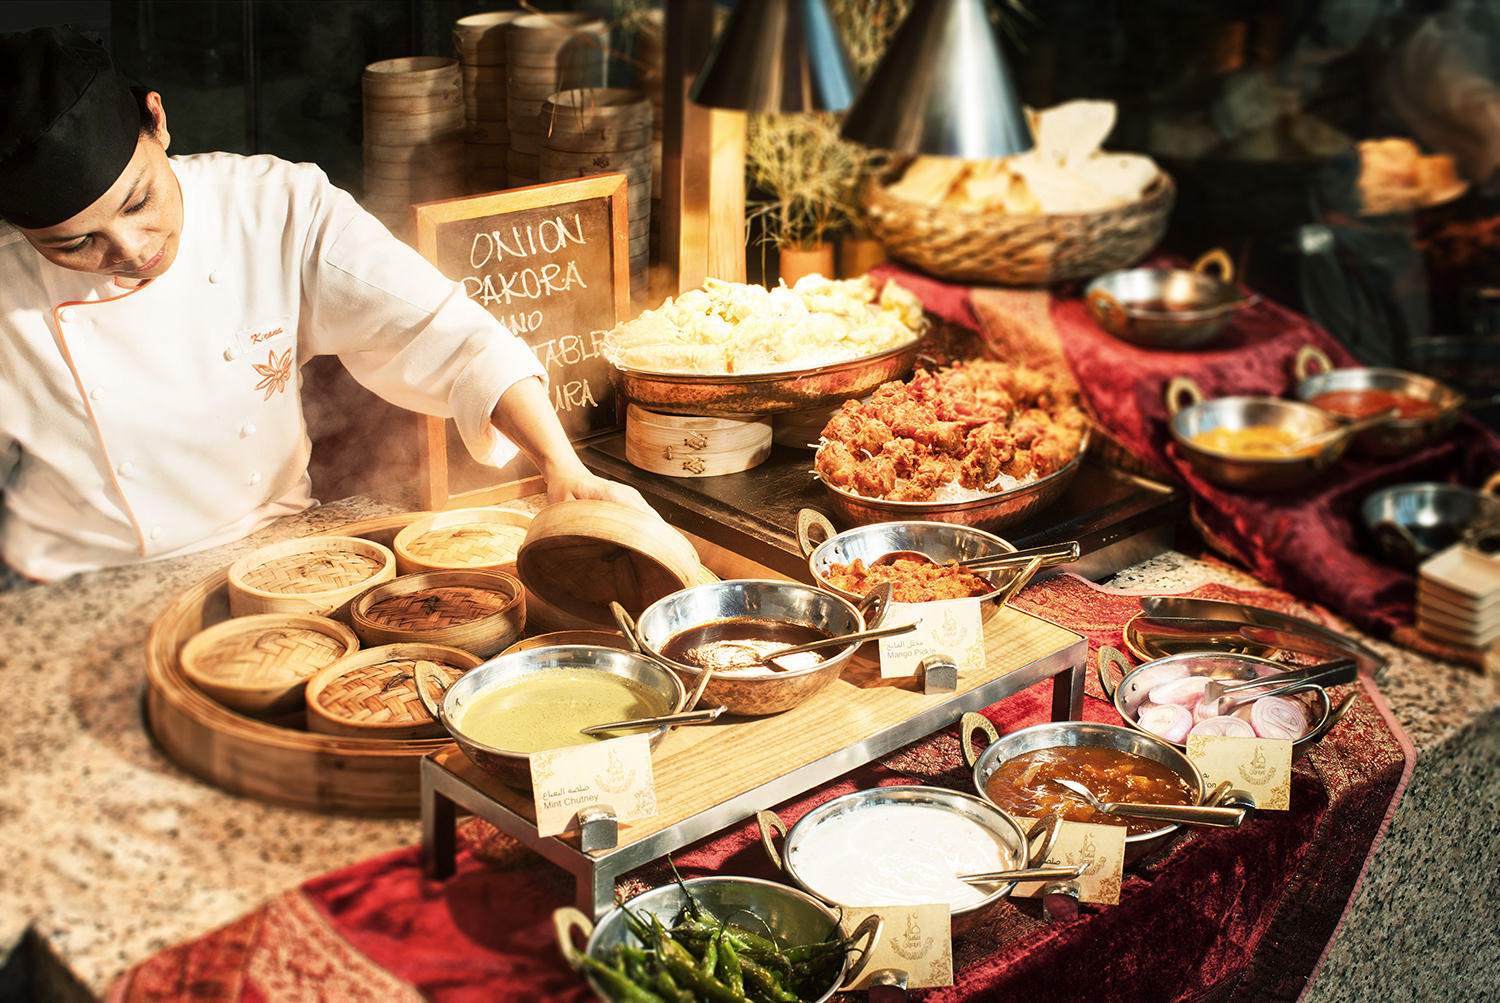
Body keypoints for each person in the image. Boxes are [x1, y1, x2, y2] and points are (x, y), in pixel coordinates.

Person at [0, 26, 650, 586]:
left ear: (158, 119)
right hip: (76, 587)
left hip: (274, 559)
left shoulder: (274, 207)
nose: (131, 248)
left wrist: (562, 468)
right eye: (75, 243)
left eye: (139, 202)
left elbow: (450, 334)